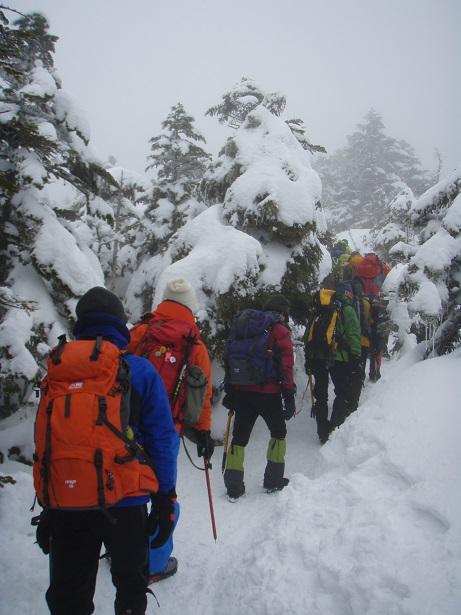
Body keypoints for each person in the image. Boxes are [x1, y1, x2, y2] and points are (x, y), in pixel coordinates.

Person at [33, 287, 179, 615]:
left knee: (69, 595)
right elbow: (161, 439)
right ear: (120, 323)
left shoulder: (58, 371)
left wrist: (48, 502)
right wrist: (165, 496)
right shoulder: (139, 370)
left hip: (67, 500)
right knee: (130, 586)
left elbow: (47, 440)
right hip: (125, 501)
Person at [128, 277, 213, 581]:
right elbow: (202, 394)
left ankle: (122, 550)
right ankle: (154, 564)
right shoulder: (195, 345)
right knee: (164, 496)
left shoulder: (140, 332)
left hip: (126, 430)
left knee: (127, 488)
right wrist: (202, 431)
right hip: (166, 432)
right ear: (191, 307)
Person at [222, 294, 296, 500]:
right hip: (268, 393)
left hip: (242, 391)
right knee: (278, 432)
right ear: (283, 311)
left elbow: (229, 358)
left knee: (239, 437)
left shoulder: (245, 327)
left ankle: (234, 486)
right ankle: (273, 480)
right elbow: (286, 365)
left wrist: (230, 390)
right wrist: (289, 394)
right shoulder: (278, 329)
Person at [305, 282, 361, 444]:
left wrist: (309, 358)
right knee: (342, 392)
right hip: (338, 357)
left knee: (321, 395)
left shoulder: (320, 309)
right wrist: (355, 356)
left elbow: (308, 334)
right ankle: (334, 427)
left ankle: (322, 431)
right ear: (348, 294)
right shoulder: (347, 309)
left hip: (317, 357)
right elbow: (354, 334)